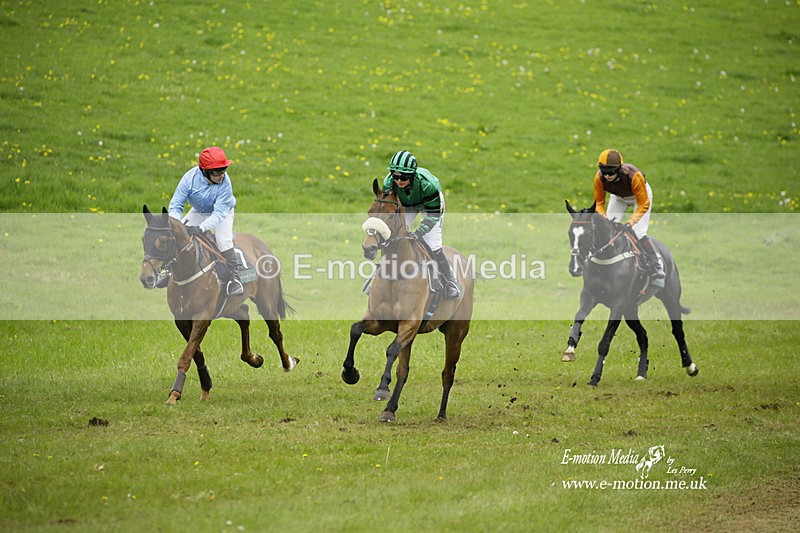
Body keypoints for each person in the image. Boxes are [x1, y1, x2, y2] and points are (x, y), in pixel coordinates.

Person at [382, 150, 461, 299]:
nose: (399, 181)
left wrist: (419, 232)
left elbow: (433, 215)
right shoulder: (388, 183)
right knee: (394, 236)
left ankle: (451, 281)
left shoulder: (427, 185)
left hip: (430, 206)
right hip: (406, 203)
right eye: (395, 175)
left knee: (433, 244)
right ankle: (381, 276)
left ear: (412, 175)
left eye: (404, 177)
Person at [168, 146, 244, 296]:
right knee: (177, 235)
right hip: (199, 210)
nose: (221, 176)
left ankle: (235, 277)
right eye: (217, 173)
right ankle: (168, 270)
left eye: (223, 171)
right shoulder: (189, 179)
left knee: (223, 240)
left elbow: (218, 215)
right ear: (204, 171)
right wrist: (177, 224)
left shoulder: (226, 183)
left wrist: (202, 228)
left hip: (222, 212)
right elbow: (176, 205)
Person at [593, 148, 665, 286]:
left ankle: (657, 265)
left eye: (611, 172)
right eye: (604, 171)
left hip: (640, 197)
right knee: (608, 229)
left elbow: (643, 204)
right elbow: (599, 203)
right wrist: (605, 219)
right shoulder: (599, 177)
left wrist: (631, 222)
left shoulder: (634, 176)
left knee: (638, 232)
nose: (607, 176)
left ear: (619, 169)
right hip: (618, 197)